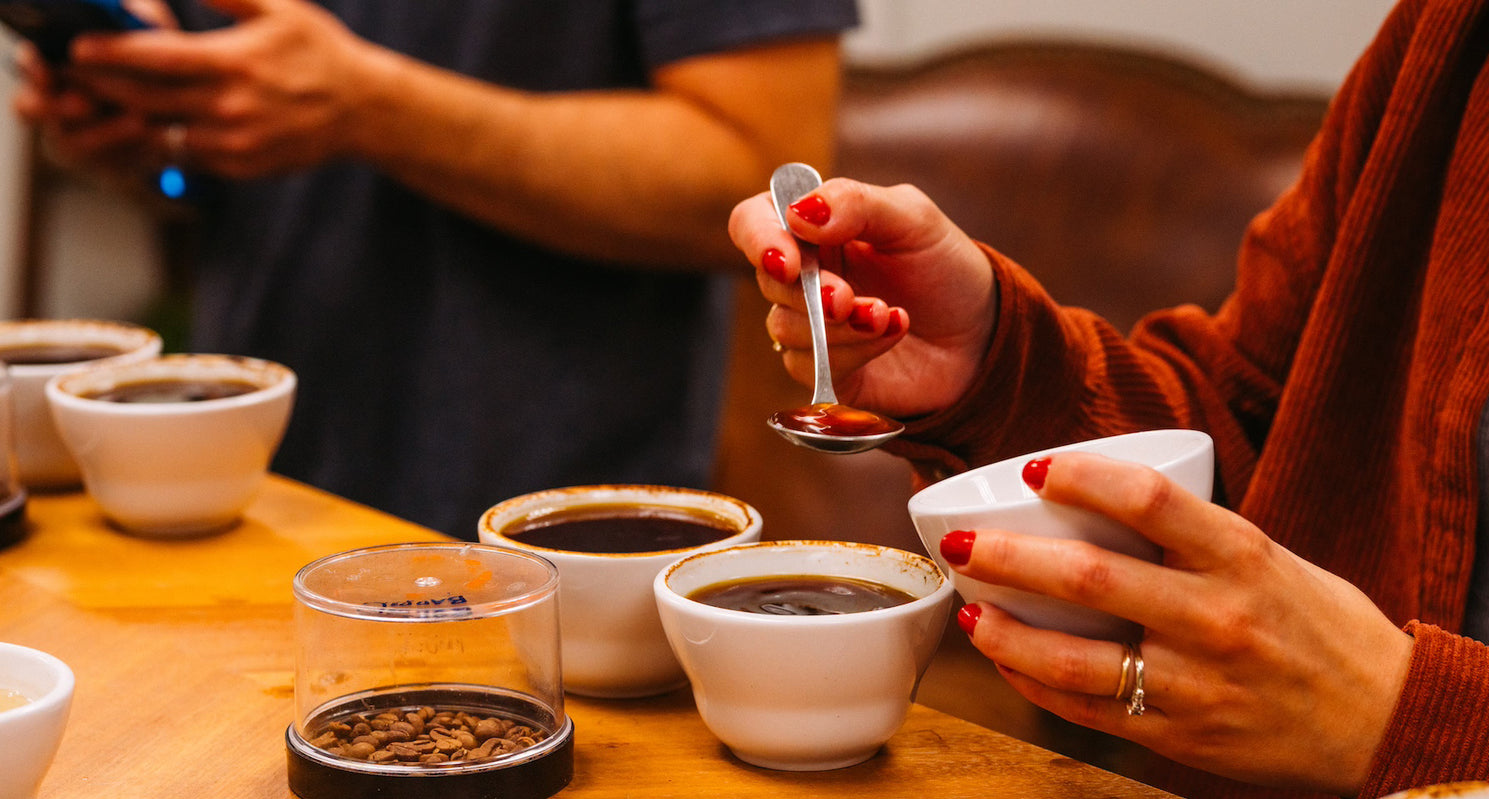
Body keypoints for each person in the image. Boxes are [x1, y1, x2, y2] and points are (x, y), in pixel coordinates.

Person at [729, 0, 1489, 799]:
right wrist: (995, 363)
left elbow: (1380, 697)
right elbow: (1253, 436)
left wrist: (1406, 716)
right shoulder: (1454, 39)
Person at [12, 0, 859, 538]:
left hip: (555, 532)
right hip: (250, 498)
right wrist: (151, 134)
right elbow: (232, 146)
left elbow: (762, 172)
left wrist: (371, 107)